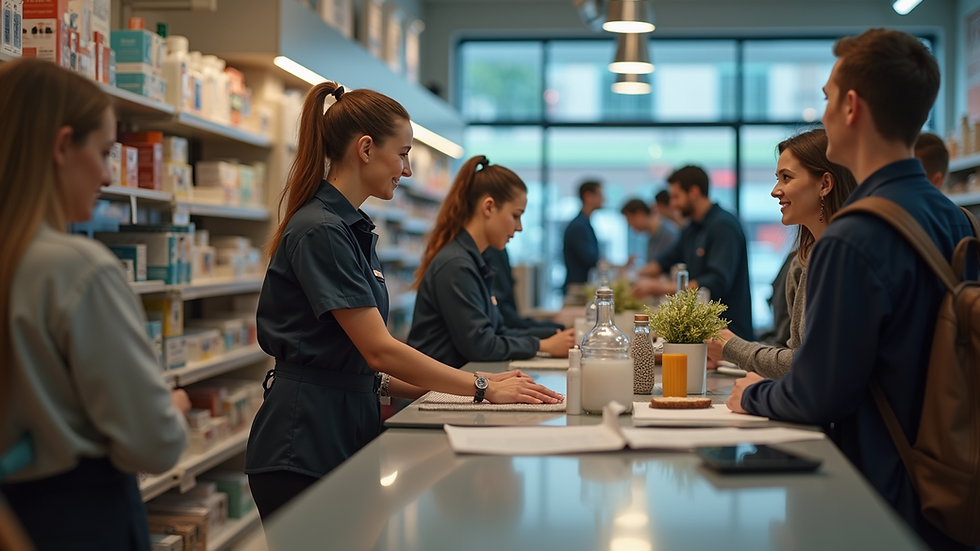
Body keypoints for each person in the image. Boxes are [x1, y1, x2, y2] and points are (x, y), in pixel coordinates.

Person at [245, 84, 562, 520]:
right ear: (366, 148)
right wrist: (482, 387)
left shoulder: (351, 229)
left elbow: (362, 365)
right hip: (304, 443)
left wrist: (481, 390)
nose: (408, 170)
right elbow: (379, 349)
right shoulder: (321, 230)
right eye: (404, 153)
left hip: (343, 430)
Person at [727, 29, 973, 551]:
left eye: (827, 99)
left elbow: (818, 392)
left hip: (878, 489)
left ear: (852, 106)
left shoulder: (854, 236)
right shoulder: (957, 219)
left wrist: (750, 395)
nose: (824, 113)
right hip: (951, 477)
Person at [0, 59, 189, 550]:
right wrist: (173, 408)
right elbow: (155, 442)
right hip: (76, 520)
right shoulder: (77, 269)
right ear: (63, 146)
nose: (108, 175)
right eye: (104, 152)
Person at [706, 129, 857, 378]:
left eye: (787, 178)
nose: (775, 190)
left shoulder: (845, 261)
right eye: (778, 178)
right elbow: (797, 359)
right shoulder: (802, 262)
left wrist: (732, 348)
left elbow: (809, 367)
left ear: (825, 184)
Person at [409, 156, 576, 367]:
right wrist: (542, 345)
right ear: (488, 207)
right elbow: (481, 345)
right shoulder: (456, 264)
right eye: (516, 215)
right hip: (430, 392)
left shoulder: (473, 260)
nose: (519, 227)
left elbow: (499, 331)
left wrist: (555, 334)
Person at [632, 166, 754, 339]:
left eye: (676, 197)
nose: (672, 204)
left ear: (694, 192)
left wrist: (661, 288)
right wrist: (633, 277)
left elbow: (717, 281)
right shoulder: (692, 228)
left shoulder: (724, 226)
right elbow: (664, 261)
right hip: (703, 334)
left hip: (730, 334)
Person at [482, 245, 565, 338]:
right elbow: (505, 322)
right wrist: (552, 331)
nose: (519, 229)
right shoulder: (490, 251)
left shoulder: (490, 251)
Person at [562, 180, 604, 293]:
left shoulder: (584, 223)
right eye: (600, 195)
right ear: (588, 197)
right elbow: (590, 259)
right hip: (578, 287)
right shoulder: (578, 226)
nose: (603, 199)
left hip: (582, 285)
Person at [620, 197, 680, 269]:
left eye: (630, 220)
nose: (630, 226)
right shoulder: (651, 235)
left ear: (639, 214)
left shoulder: (670, 233)